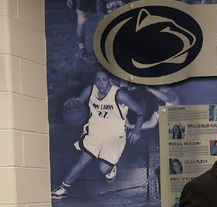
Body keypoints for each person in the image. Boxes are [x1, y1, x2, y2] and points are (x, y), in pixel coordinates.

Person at [51, 70, 146, 199]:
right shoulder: (90, 90)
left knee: (103, 169)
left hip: (114, 136)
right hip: (95, 132)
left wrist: (137, 130)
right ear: (94, 80)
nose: (101, 83)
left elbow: (140, 111)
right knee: (82, 161)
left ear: (110, 80)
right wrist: (71, 104)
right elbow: (78, 103)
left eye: (104, 80)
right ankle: (63, 188)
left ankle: (110, 168)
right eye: (98, 79)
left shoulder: (119, 95)